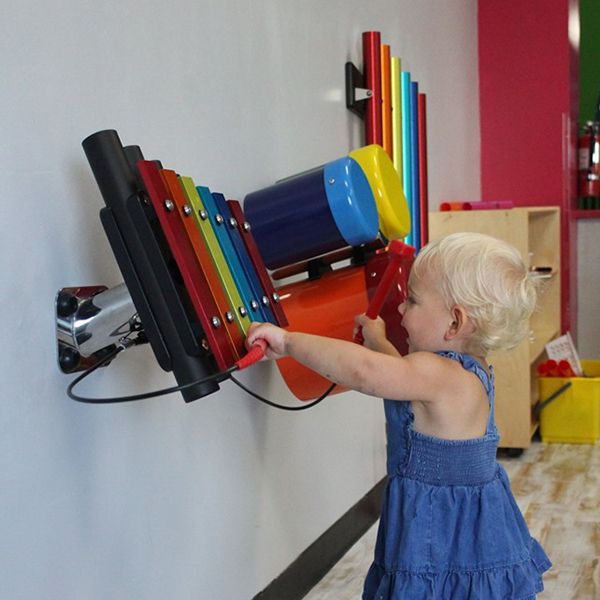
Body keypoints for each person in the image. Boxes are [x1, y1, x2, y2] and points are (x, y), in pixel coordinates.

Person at [246, 232, 552, 599]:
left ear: (454, 323)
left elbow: (366, 373)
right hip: (467, 526)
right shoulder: (469, 371)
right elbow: (406, 381)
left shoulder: (441, 375)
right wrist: (379, 342)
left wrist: (289, 341)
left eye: (413, 300)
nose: (402, 310)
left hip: (437, 533)